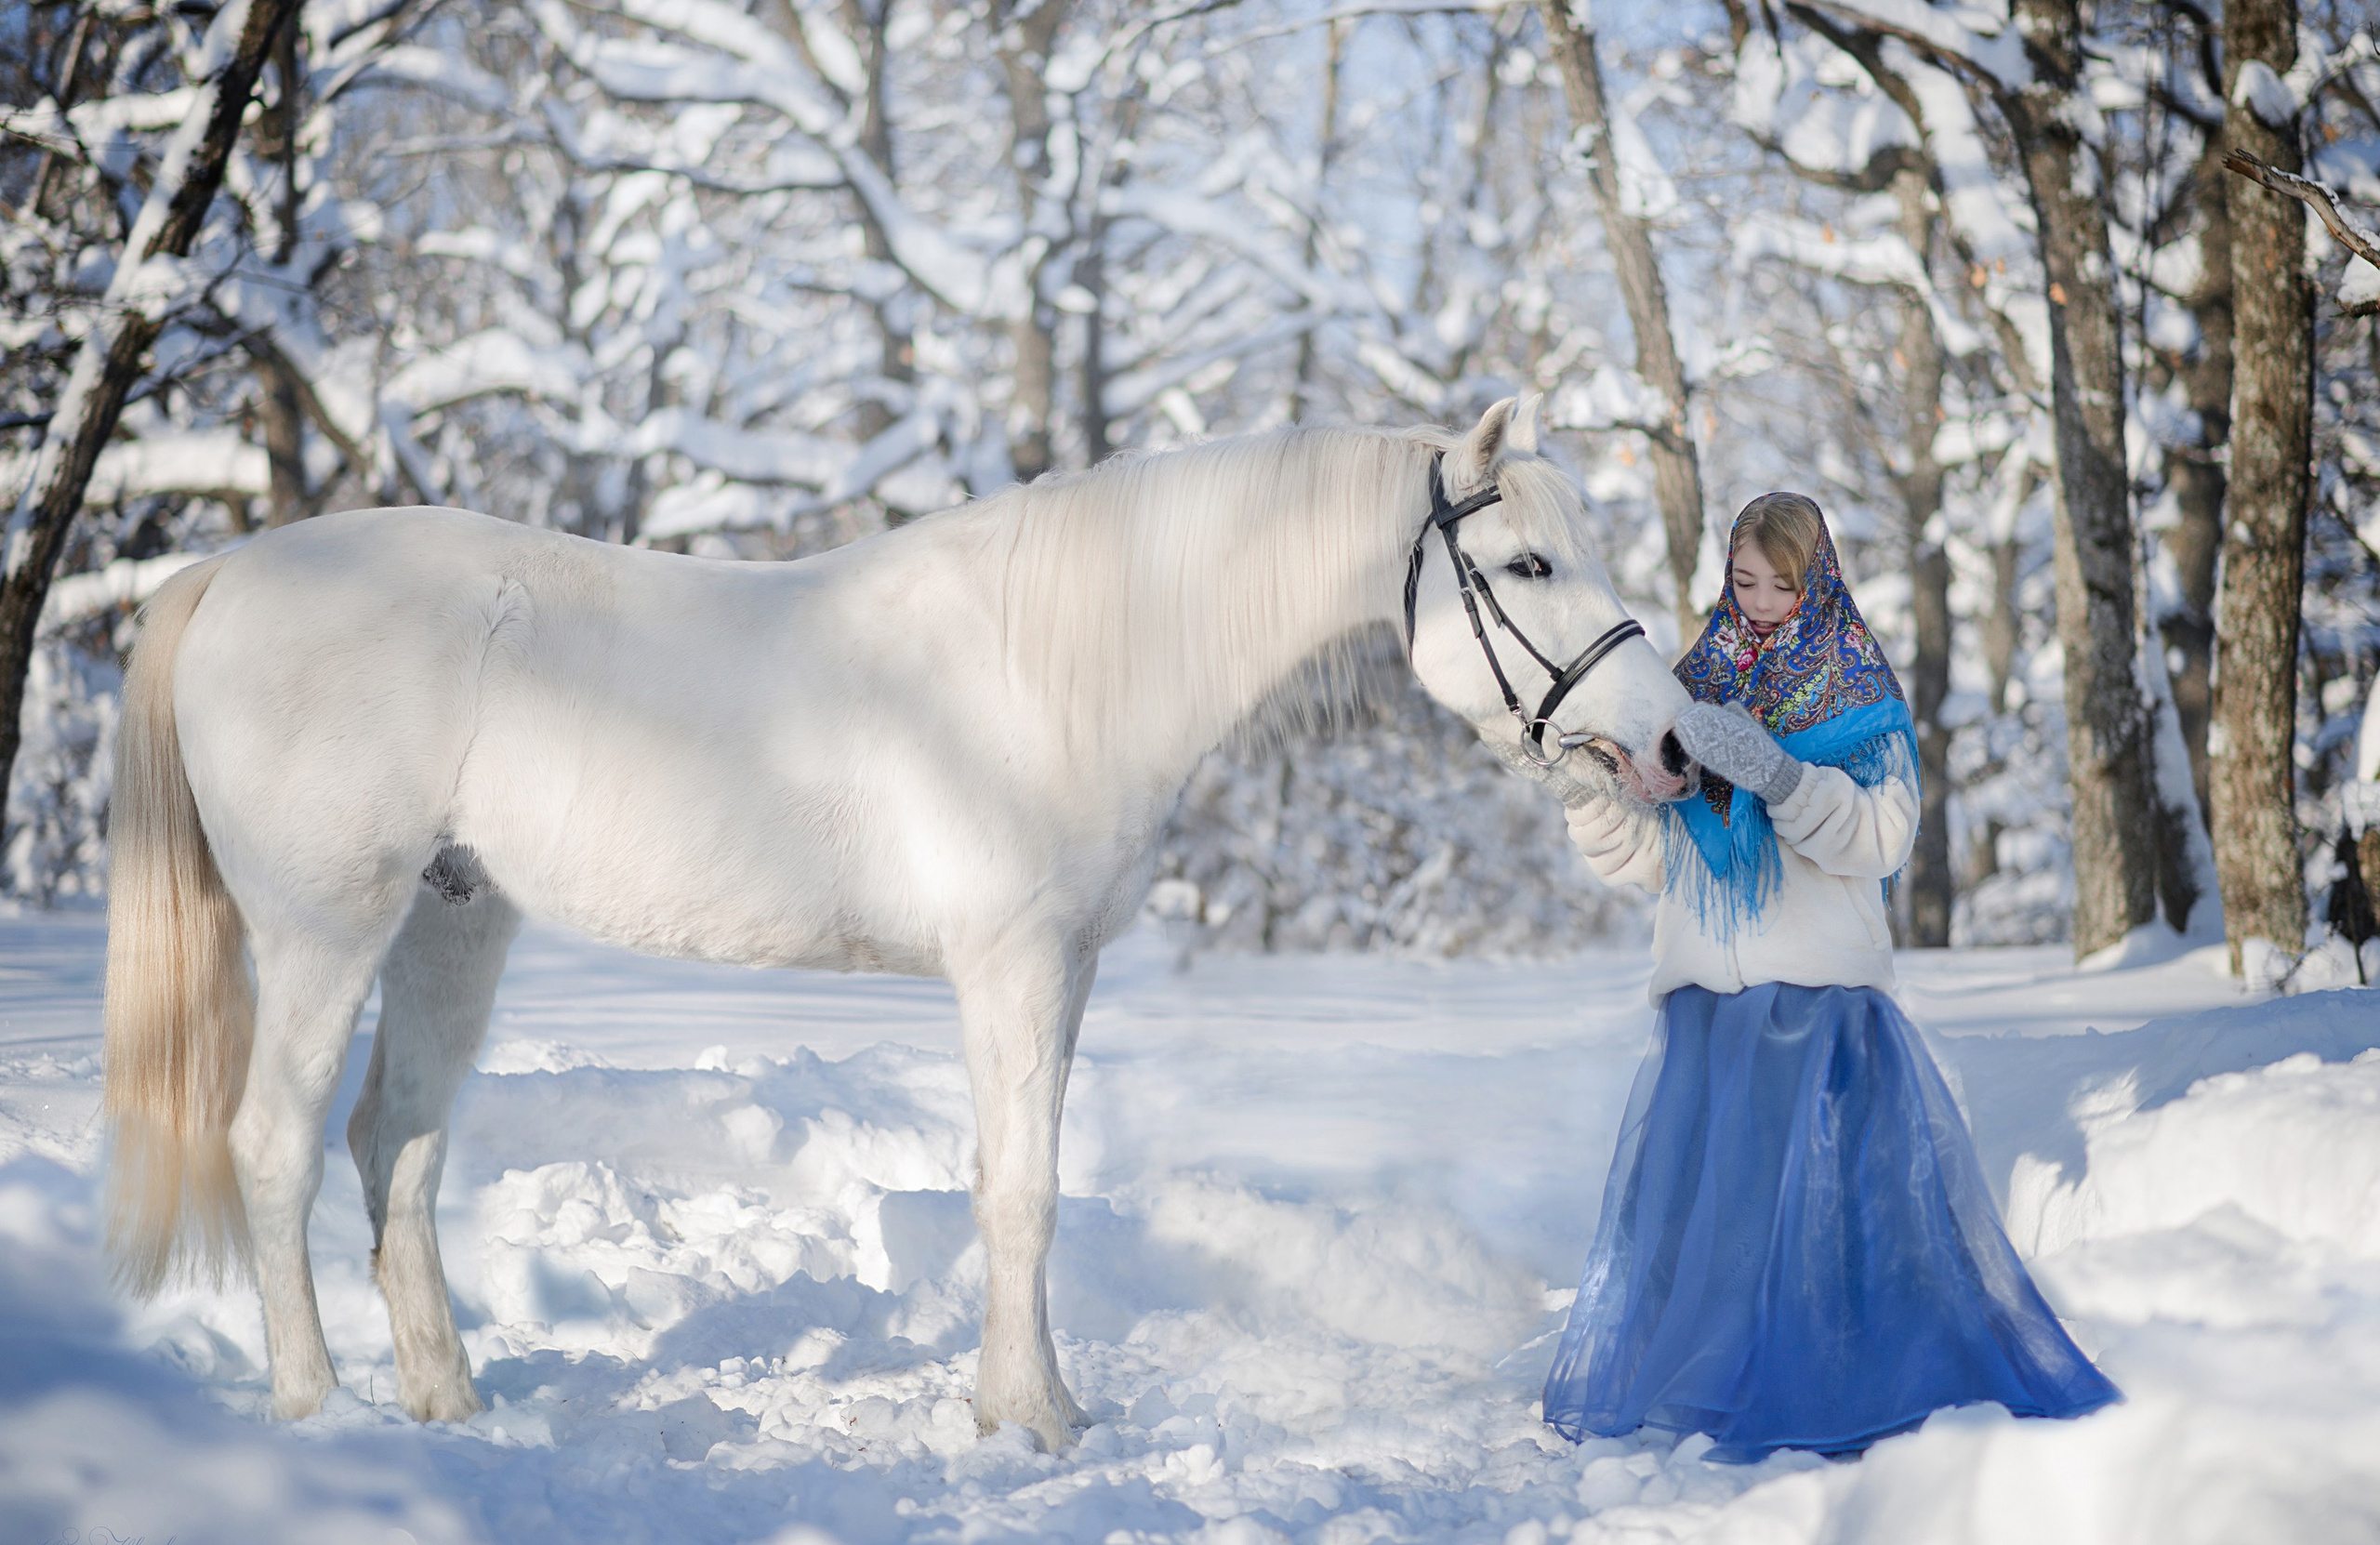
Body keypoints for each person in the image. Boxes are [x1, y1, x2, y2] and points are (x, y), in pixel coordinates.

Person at [1541, 492, 2118, 1462]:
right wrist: (1603, 799)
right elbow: (1658, 864)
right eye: (1742, 581)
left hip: (1810, 1003)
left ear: (1818, 580)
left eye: (1781, 583)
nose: (1760, 601)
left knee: (1814, 1219)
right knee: (1709, 1224)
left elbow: (1882, 839)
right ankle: (1710, 1385)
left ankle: (1839, 1389)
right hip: (1701, 1006)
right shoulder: (1692, 684)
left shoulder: (1856, 690)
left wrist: (1778, 775)